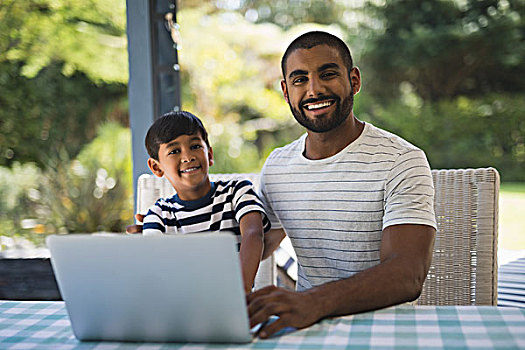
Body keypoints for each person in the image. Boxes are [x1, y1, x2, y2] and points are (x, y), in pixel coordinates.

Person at [246, 31, 437, 338]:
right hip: (307, 330)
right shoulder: (277, 166)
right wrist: (160, 235)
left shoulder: (401, 160)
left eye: (328, 74)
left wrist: (313, 301)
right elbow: (258, 243)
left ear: (354, 81)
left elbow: (407, 275)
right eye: (300, 80)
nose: (314, 89)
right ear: (285, 91)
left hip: (384, 331)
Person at [141, 111, 270, 293]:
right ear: (157, 167)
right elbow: (155, 268)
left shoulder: (237, 191)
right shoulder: (159, 215)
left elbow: (253, 234)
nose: (188, 157)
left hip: (237, 301)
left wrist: (241, 292)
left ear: (209, 154)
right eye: (174, 151)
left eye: (195, 146)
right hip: (182, 308)